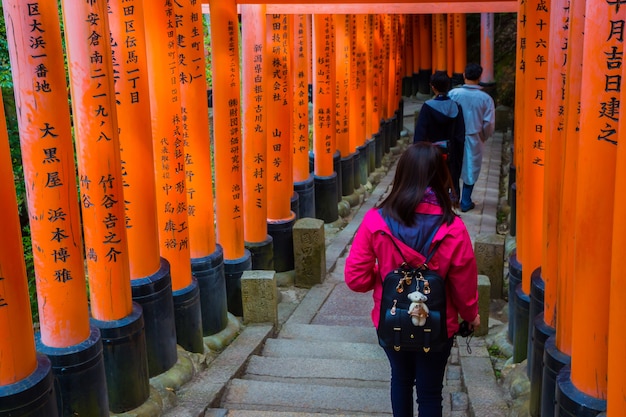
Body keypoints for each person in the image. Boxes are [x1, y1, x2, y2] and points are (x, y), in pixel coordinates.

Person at [344, 143, 480, 417]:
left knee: (401, 379)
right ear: (441, 176)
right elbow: (464, 283)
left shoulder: (375, 221)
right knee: (430, 392)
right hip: (439, 323)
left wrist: (385, 276)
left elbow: (356, 278)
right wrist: (471, 315)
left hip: (391, 318)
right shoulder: (453, 228)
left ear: (401, 174)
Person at [448, 63, 496, 213]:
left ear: (464, 75)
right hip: (474, 136)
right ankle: (466, 201)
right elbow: (488, 123)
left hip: (454, 136)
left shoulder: (453, 94)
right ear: (479, 77)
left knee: (453, 166)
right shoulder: (485, 98)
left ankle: (453, 197)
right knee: (471, 168)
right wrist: (484, 135)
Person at [413, 71, 465, 203]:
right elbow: (460, 136)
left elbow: (420, 134)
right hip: (451, 152)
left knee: (430, 180)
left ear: (432, 86)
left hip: (430, 152)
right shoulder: (456, 107)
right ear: (449, 86)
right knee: (449, 180)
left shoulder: (427, 107)